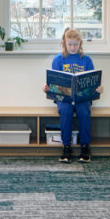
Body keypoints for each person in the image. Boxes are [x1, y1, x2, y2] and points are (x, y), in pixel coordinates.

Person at [42, 28, 97, 163]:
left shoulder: (86, 60)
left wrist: (98, 88)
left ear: (80, 44)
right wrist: (47, 88)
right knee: (65, 112)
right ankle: (66, 147)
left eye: (75, 44)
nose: (72, 47)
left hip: (81, 98)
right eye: (69, 44)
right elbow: (54, 82)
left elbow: (92, 81)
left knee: (83, 111)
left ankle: (85, 147)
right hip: (64, 98)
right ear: (64, 44)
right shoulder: (58, 60)